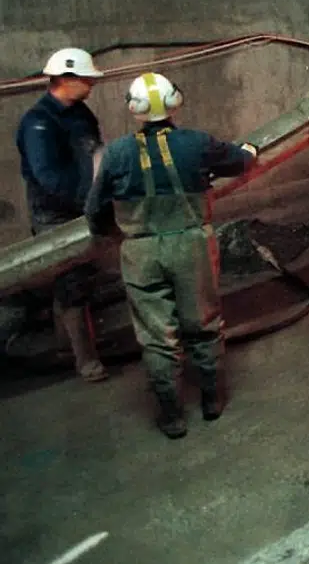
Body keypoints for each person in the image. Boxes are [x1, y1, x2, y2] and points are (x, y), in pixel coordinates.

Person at [86, 72, 257, 438]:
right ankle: (212, 402)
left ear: (134, 108)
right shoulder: (197, 143)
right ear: (175, 102)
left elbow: (94, 212)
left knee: (156, 336)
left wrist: (119, 235)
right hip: (192, 246)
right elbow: (241, 162)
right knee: (204, 323)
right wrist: (251, 151)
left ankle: (173, 417)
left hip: (140, 250)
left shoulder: (116, 153)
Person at [12, 47, 109, 382]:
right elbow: (48, 177)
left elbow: (94, 153)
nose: (91, 83)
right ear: (66, 79)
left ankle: (65, 347)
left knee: (74, 279)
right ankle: (87, 361)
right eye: (86, 78)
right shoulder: (38, 123)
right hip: (55, 215)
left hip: (83, 205)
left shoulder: (80, 113)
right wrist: (86, 198)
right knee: (71, 283)